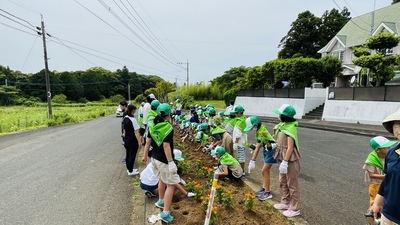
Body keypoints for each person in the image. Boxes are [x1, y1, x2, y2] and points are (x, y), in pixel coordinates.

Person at [142, 103, 178, 223]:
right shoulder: (167, 128)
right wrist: (171, 162)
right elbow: (166, 146)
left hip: (154, 158)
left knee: (162, 179)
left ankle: (161, 200)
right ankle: (165, 213)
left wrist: (144, 156)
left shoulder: (152, 125)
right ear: (168, 115)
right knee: (171, 185)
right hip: (164, 160)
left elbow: (147, 143)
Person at [369, 109, 400, 224]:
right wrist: (377, 202)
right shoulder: (392, 153)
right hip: (388, 214)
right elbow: (388, 179)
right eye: (398, 124)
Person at [272, 104, 301, 218]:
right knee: (282, 180)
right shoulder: (282, 126)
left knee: (292, 184)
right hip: (282, 157)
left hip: (290, 160)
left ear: (284, 116)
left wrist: (285, 161)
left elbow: (290, 147)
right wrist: (275, 145)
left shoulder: (290, 128)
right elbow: (281, 142)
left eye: (280, 114)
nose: (278, 115)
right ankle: (285, 202)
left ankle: (295, 208)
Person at [363, 136, 395, 225]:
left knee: (385, 204)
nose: (389, 148)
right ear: (378, 150)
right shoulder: (372, 159)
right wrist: (384, 176)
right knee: (374, 206)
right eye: (386, 147)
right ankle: (370, 223)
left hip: (385, 184)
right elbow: (371, 175)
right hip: (375, 185)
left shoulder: (388, 156)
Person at [245, 116, 277, 201]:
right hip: (267, 150)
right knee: (266, 171)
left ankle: (267, 192)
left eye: (252, 127)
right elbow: (259, 144)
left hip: (271, 151)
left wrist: (253, 160)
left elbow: (258, 147)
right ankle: (264, 188)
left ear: (256, 124)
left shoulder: (261, 132)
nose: (251, 129)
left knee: (264, 171)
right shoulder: (259, 130)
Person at [122, 104, 141, 176]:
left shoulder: (125, 118)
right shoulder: (133, 120)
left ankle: (129, 169)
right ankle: (130, 171)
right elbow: (136, 132)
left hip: (126, 139)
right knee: (132, 155)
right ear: (133, 110)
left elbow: (124, 130)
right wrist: (139, 141)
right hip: (132, 140)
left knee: (128, 154)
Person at [232, 105, 247, 175]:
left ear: (238, 113)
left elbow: (238, 134)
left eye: (235, 113)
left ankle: (242, 171)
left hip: (240, 143)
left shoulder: (240, 122)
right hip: (241, 142)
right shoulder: (242, 119)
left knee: (241, 157)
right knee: (240, 156)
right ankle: (241, 170)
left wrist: (235, 142)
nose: (234, 114)